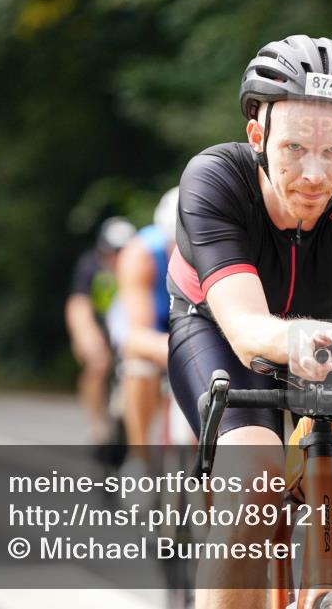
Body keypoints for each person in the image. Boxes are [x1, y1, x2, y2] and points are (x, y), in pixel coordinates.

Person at [167, 35, 332, 608]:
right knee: (252, 485)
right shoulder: (214, 179)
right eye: (295, 148)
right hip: (222, 332)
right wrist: (293, 336)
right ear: (258, 134)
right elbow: (248, 326)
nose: (314, 174)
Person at [112, 188, 188, 472]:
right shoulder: (141, 253)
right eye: (177, 245)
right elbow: (138, 332)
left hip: (190, 328)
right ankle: (139, 457)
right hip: (151, 326)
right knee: (138, 364)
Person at [65, 216, 136, 451]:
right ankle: (97, 425)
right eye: (112, 252)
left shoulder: (143, 264)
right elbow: (78, 304)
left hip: (131, 329)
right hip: (101, 328)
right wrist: (86, 336)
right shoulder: (90, 266)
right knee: (97, 363)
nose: (116, 258)